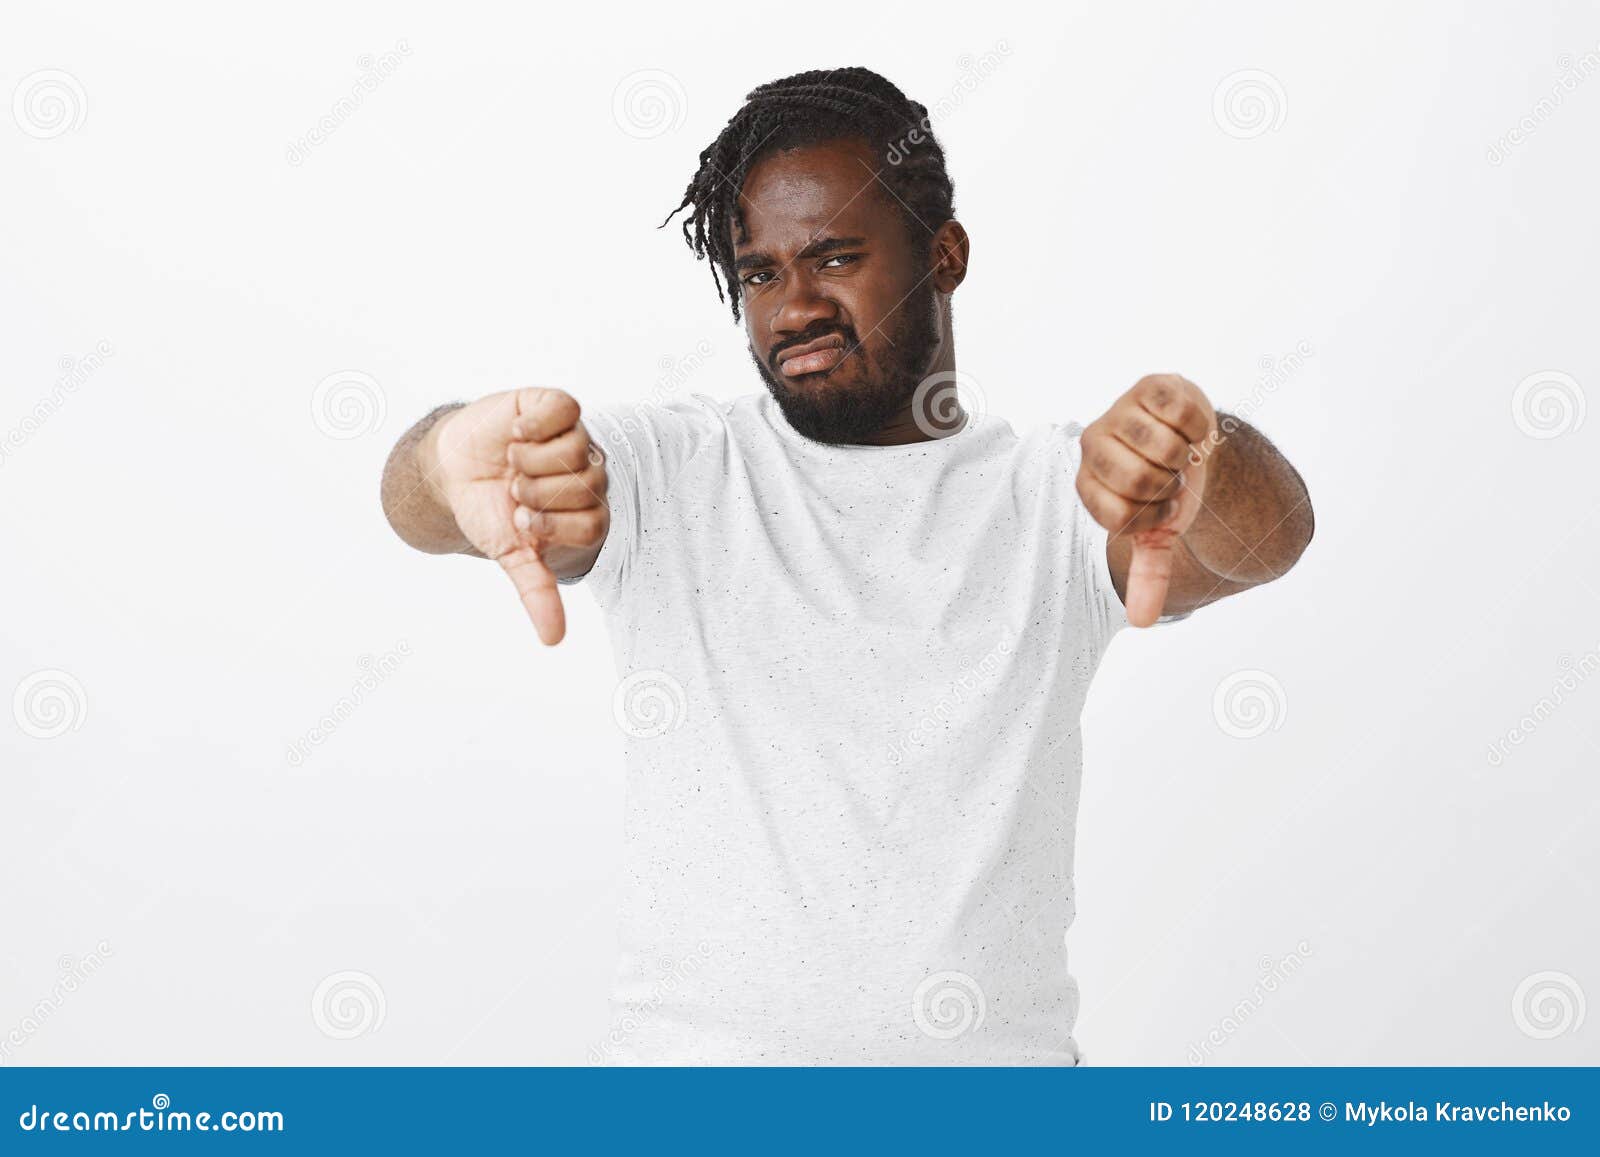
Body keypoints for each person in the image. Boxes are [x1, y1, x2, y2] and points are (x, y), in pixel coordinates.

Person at [379, 66, 1314, 1064]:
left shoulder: (1055, 495)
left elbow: (1270, 535)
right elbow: (428, 502)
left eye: (833, 256)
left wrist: (1201, 450)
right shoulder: (672, 472)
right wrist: (442, 459)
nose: (792, 308)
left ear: (943, 255)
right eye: (760, 272)